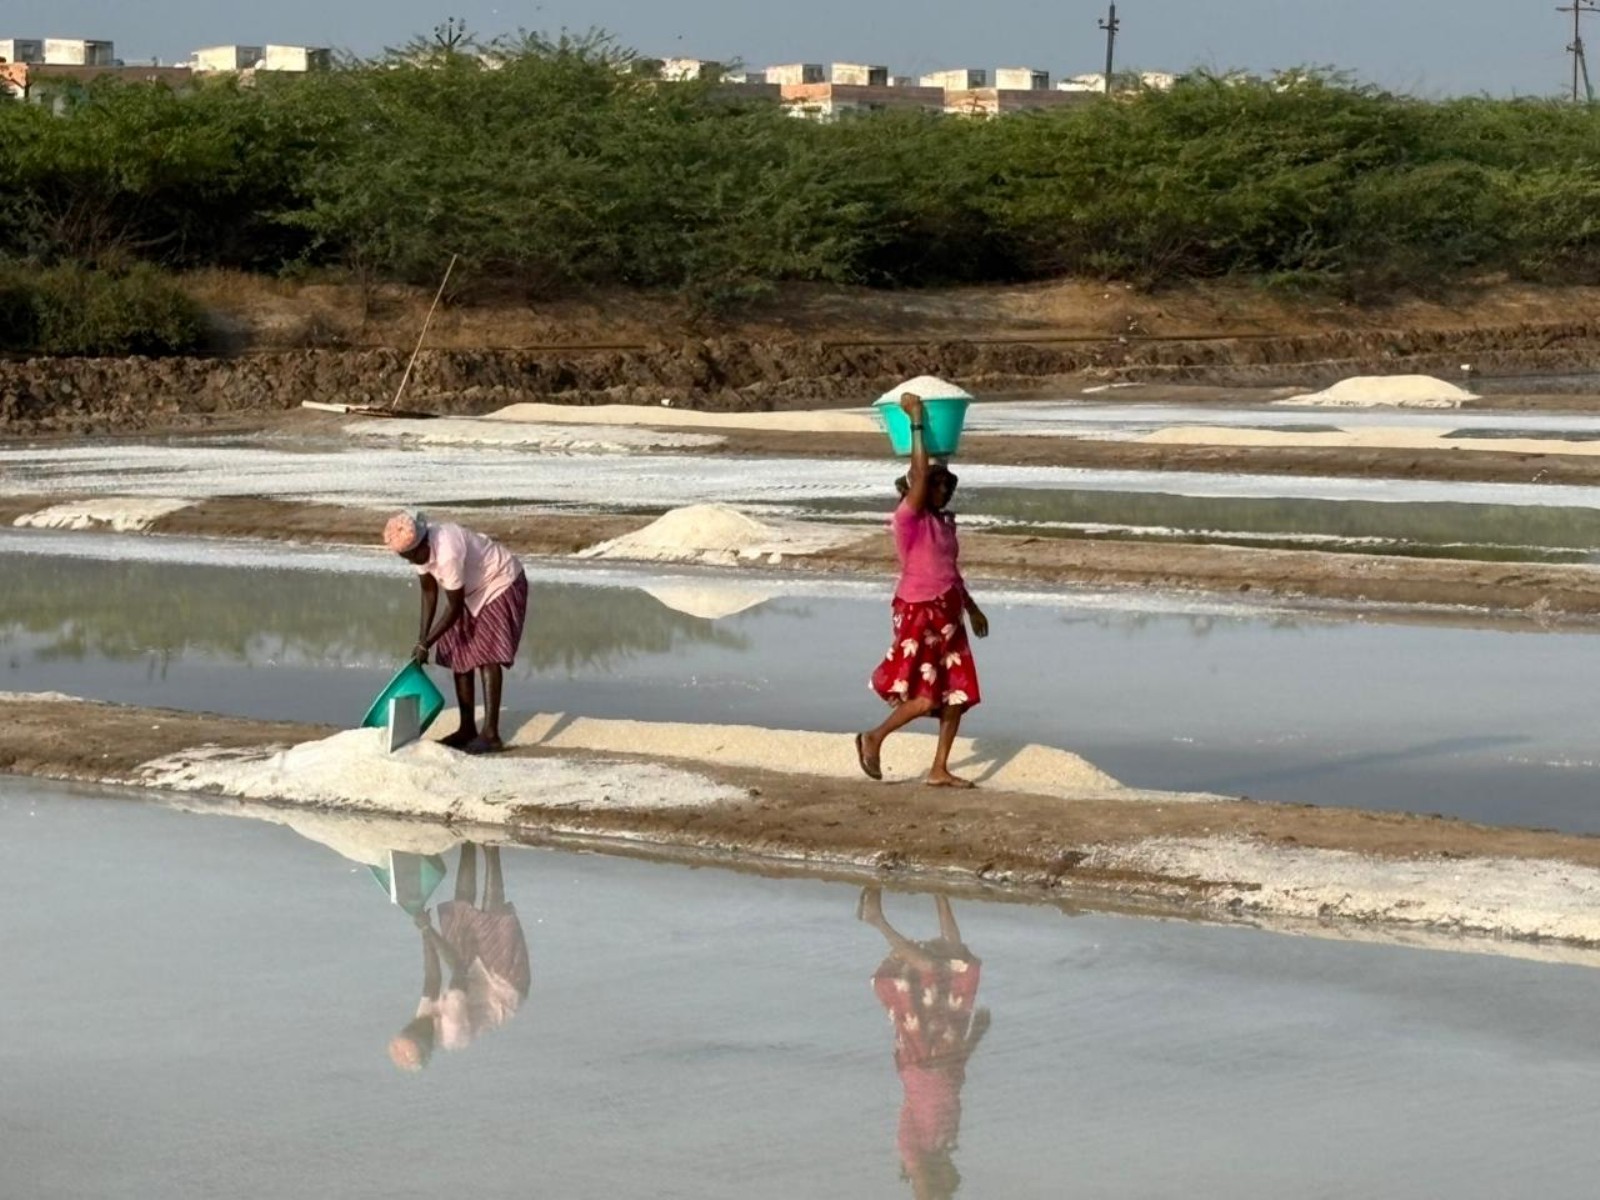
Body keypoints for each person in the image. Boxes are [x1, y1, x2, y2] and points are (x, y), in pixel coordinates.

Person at [857, 393, 989, 788]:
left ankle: (939, 769)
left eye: (949, 485)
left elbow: (951, 570)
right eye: (939, 485)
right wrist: (916, 420)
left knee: (957, 696)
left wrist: (972, 608)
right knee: (927, 697)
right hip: (920, 611)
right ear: (920, 488)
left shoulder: (944, 523)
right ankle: (873, 737)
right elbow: (918, 469)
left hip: (948, 614)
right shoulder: (908, 520)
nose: (946, 491)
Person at [859, 886, 990, 1200]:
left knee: (930, 970)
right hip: (946, 1052)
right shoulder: (945, 1145)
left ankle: (876, 920)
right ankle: (939, 891)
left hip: (923, 1058)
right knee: (961, 965)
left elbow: (921, 1182)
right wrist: (977, 1035)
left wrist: (929, 1189)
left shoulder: (913, 1152)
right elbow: (955, 1082)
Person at [383, 511, 528, 754]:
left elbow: (454, 607)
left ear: (423, 543)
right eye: (405, 558)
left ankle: (491, 734)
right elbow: (429, 593)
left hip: (499, 581)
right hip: (468, 591)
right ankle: (467, 728)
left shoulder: (447, 551)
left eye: (411, 556)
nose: (410, 561)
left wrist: (427, 643)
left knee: (487, 654)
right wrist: (422, 640)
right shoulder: (420, 554)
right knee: (458, 650)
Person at [389, 843, 531, 1071]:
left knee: (456, 920)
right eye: (416, 1031)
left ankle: (467, 844)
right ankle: (491, 849)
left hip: (473, 978)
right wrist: (427, 930)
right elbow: (456, 970)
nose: (416, 1023)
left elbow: (432, 978)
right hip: (504, 988)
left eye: (409, 1027)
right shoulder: (452, 1031)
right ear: (427, 1042)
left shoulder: (421, 1022)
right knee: (490, 920)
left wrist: (424, 930)